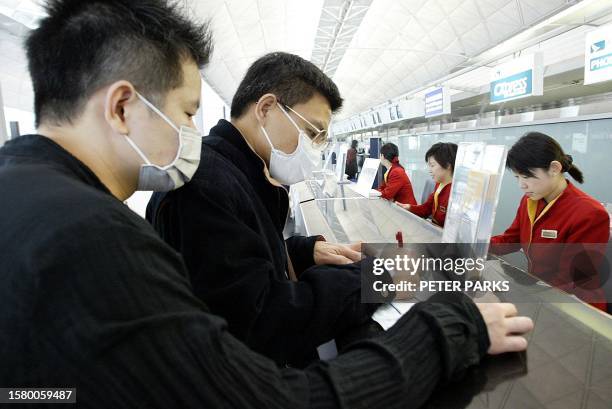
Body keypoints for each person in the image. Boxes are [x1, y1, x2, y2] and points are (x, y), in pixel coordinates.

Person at [0, 1, 534, 407]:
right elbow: (269, 396)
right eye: (186, 113)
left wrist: (299, 253)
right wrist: (445, 328)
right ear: (121, 106)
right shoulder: (90, 237)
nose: (192, 132)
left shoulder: (26, 194)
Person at [147, 52, 381, 367]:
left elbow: (233, 261)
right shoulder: (206, 187)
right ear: (267, 108)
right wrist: (372, 278)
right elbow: (260, 321)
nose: (313, 149)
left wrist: (301, 252)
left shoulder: (237, 172)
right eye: (312, 133)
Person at [490, 132, 609, 311]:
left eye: (527, 176)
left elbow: (570, 281)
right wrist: (475, 247)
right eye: (517, 177)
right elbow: (512, 239)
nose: (521, 185)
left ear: (554, 168)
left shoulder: (590, 214)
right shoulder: (531, 200)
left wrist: (521, 298)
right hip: (542, 296)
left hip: (577, 309)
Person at [398, 142, 458, 227]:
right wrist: (409, 207)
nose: (429, 170)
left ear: (448, 165)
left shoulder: (455, 194)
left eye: (432, 165)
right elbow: (426, 208)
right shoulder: (439, 184)